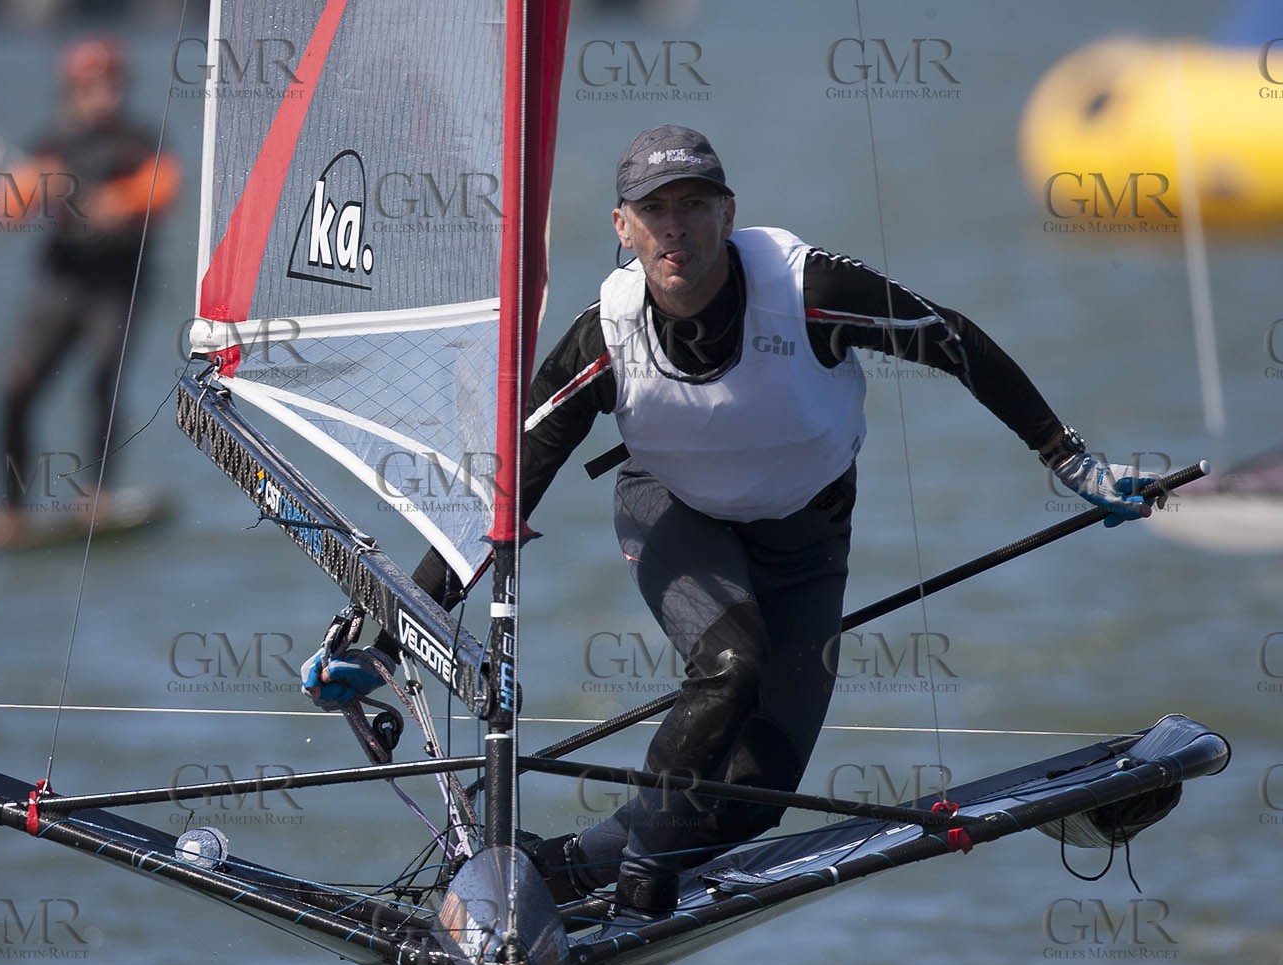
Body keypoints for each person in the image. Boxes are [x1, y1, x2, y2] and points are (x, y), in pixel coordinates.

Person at [302, 125, 1158, 918]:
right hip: (674, 512)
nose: (676, 227)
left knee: (759, 788)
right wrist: (390, 641)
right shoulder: (603, 336)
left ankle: (563, 868)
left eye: (695, 205)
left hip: (808, 538)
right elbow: (501, 497)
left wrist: (1071, 461)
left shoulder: (811, 291)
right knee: (729, 662)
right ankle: (645, 867)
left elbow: (956, 339)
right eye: (654, 211)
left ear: (729, 213)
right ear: (624, 229)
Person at [0, 37, 181, 548]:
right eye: (92, 86)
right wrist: (33, 187)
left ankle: (96, 495)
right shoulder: (49, 146)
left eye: (112, 83)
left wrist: (111, 199)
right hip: (61, 283)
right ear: (72, 91)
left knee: (101, 376)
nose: (104, 94)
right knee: (16, 386)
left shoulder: (141, 142)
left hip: (116, 284)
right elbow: (4, 212)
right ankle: (10, 510)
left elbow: (161, 191)